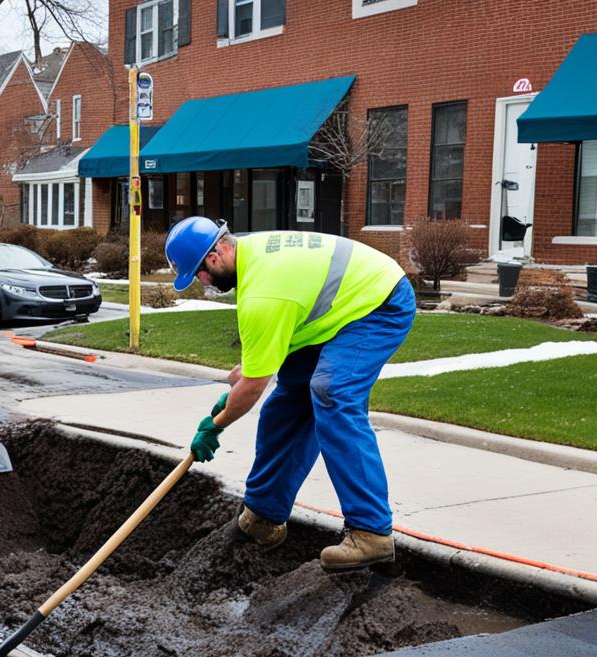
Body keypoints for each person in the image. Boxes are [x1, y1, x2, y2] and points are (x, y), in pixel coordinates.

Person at [165, 218, 414, 571]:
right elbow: (255, 367)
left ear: (217, 253)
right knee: (286, 405)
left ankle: (371, 533)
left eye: (199, 274)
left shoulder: (261, 292)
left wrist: (216, 425)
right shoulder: (253, 257)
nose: (202, 283)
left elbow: (253, 386)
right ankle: (264, 516)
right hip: (336, 311)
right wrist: (244, 377)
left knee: (333, 393)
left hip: (378, 303)